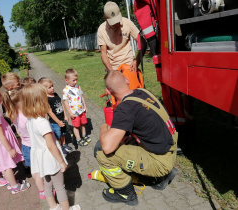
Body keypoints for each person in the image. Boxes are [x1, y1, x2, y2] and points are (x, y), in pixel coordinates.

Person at [95, 71, 178, 205]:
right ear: (127, 80)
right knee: (126, 142)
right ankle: (160, 178)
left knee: (101, 152)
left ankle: (125, 194)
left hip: (160, 161)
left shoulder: (125, 109)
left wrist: (103, 128)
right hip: (170, 149)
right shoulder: (143, 93)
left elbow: (107, 147)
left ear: (108, 91)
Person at [20, 84, 80, 210]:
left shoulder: (30, 119)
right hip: (50, 157)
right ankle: (67, 209)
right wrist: (62, 162)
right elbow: (51, 145)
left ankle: (53, 207)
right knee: (59, 186)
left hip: (40, 158)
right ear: (40, 101)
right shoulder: (42, 123)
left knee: (47, 184)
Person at [2, 86, 45, 199]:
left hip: (26, 146)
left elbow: (19, 132)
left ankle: (42, 191)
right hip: (36, 146)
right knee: (42, 170)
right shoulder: (28, 116)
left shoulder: (13, 116)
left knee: (35, 172)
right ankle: (48, 189)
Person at [97, 1, 140, 72]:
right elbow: (103, 54)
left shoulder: (127, 23)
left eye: (117, 20)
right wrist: (112, 72)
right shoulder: (101, 29)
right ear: (105, 18)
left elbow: (142, 42)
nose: (116, 24)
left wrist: (137, 61)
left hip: (129, 66)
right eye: (113, 22)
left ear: (120, 12)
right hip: (113, 68)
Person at [38, 77, 72, 155]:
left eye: (52, 85)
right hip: (55, 122)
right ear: (43, 90)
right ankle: (59, 147)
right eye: (49, 87)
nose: (52, 88)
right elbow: (50, 113)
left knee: (63, 133)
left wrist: (65, 116)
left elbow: (61, 104)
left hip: (62, 119)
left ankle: (64, 144)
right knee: (58, 135)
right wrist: (58, 122)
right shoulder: (46, 100)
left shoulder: (55, 94)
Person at [63, 69, 91, 147]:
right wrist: (70, 113)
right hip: (74, 113)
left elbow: (81, 97)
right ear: (66, 80)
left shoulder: (78, 87)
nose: (75, 82)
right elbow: (66, 102)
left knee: (83, 124)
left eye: (76, 80)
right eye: (73, 80)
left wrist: (85, 106)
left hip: (81, 110)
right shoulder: (66, 90)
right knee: (76, 126)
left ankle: (84, 136)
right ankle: (78, 139)